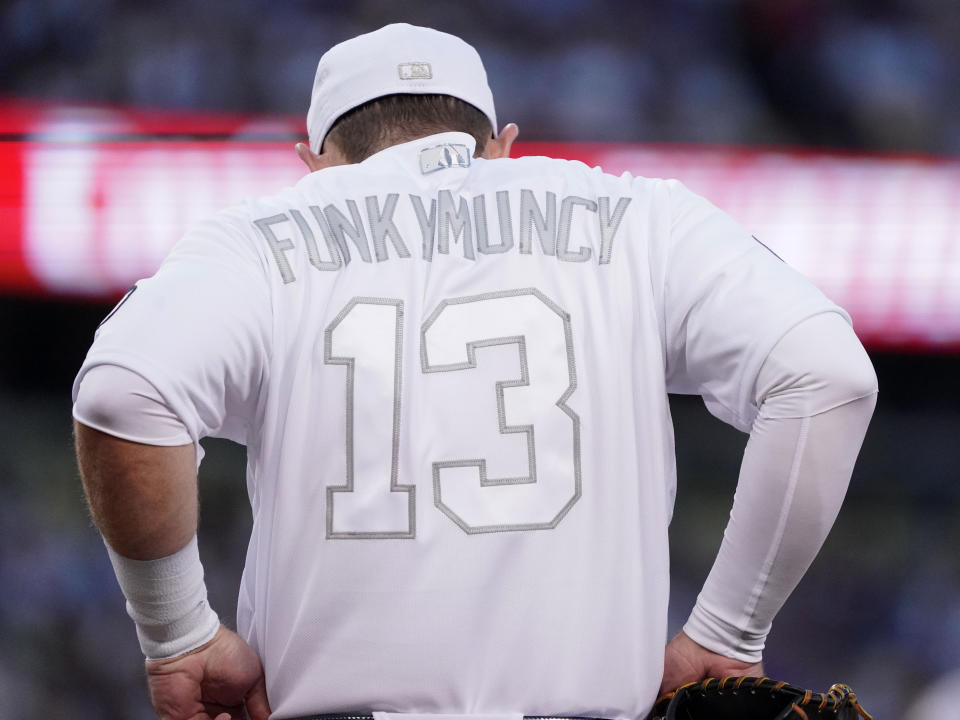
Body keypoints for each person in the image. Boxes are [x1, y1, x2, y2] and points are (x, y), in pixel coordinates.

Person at [72, 23, 878, 720]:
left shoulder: (261, 238)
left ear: (315, 161)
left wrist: (177, 634)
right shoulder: (639, 217)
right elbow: (827, 375)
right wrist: (728, 632)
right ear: (502, 144)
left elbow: (122, 394)